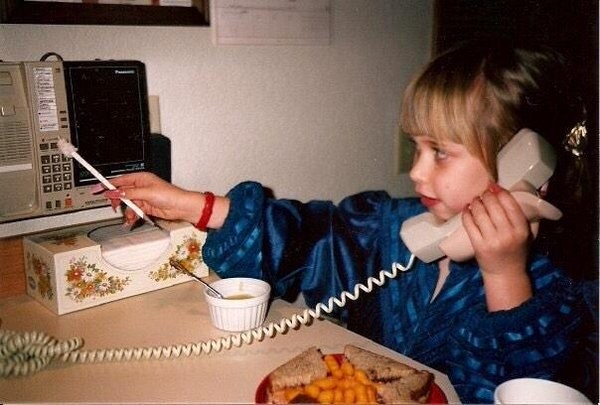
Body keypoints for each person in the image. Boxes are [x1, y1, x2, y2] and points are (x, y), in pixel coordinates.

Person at [99, 41, 597, 404]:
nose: (417, 171)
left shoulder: (565, 291)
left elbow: (526, 389)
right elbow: (311, 239)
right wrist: (197, 206)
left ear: (527, 170)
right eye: (416, 147)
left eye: (441, 153)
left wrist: (504, 276)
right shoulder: (390, 227)